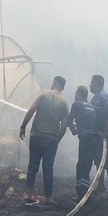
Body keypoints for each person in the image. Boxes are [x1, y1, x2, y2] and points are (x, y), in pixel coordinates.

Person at [20, 76, 69, 205]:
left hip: (36, 136)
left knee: (32, 166)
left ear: (54, 83)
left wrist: (23, 126)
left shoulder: (43, 94)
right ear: (63, 87)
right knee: (48, 168)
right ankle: (48, 197)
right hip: (51, 138)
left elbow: (31, 110)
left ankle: (28, 194)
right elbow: (64, 125)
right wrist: (57, 138)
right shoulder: (64, 102)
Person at [67, 85, 100, 201]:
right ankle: (84, 193)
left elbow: (69, 120)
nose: (74, 96)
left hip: (86, 139)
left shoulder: (77, 104)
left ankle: (82, 195)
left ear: (79, 94)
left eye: (75, 93)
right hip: (94, 139)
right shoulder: (91, 106)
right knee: (86, 165)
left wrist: (73, 129)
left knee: (82, 166)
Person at [90, 75, 108, 194]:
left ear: (96, 83)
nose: (90, 84)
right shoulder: (93, 99)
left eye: (91, 82)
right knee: (98, 160)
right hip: (99, 135)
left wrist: (106, 132)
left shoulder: (104, 97)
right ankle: (100, 187)